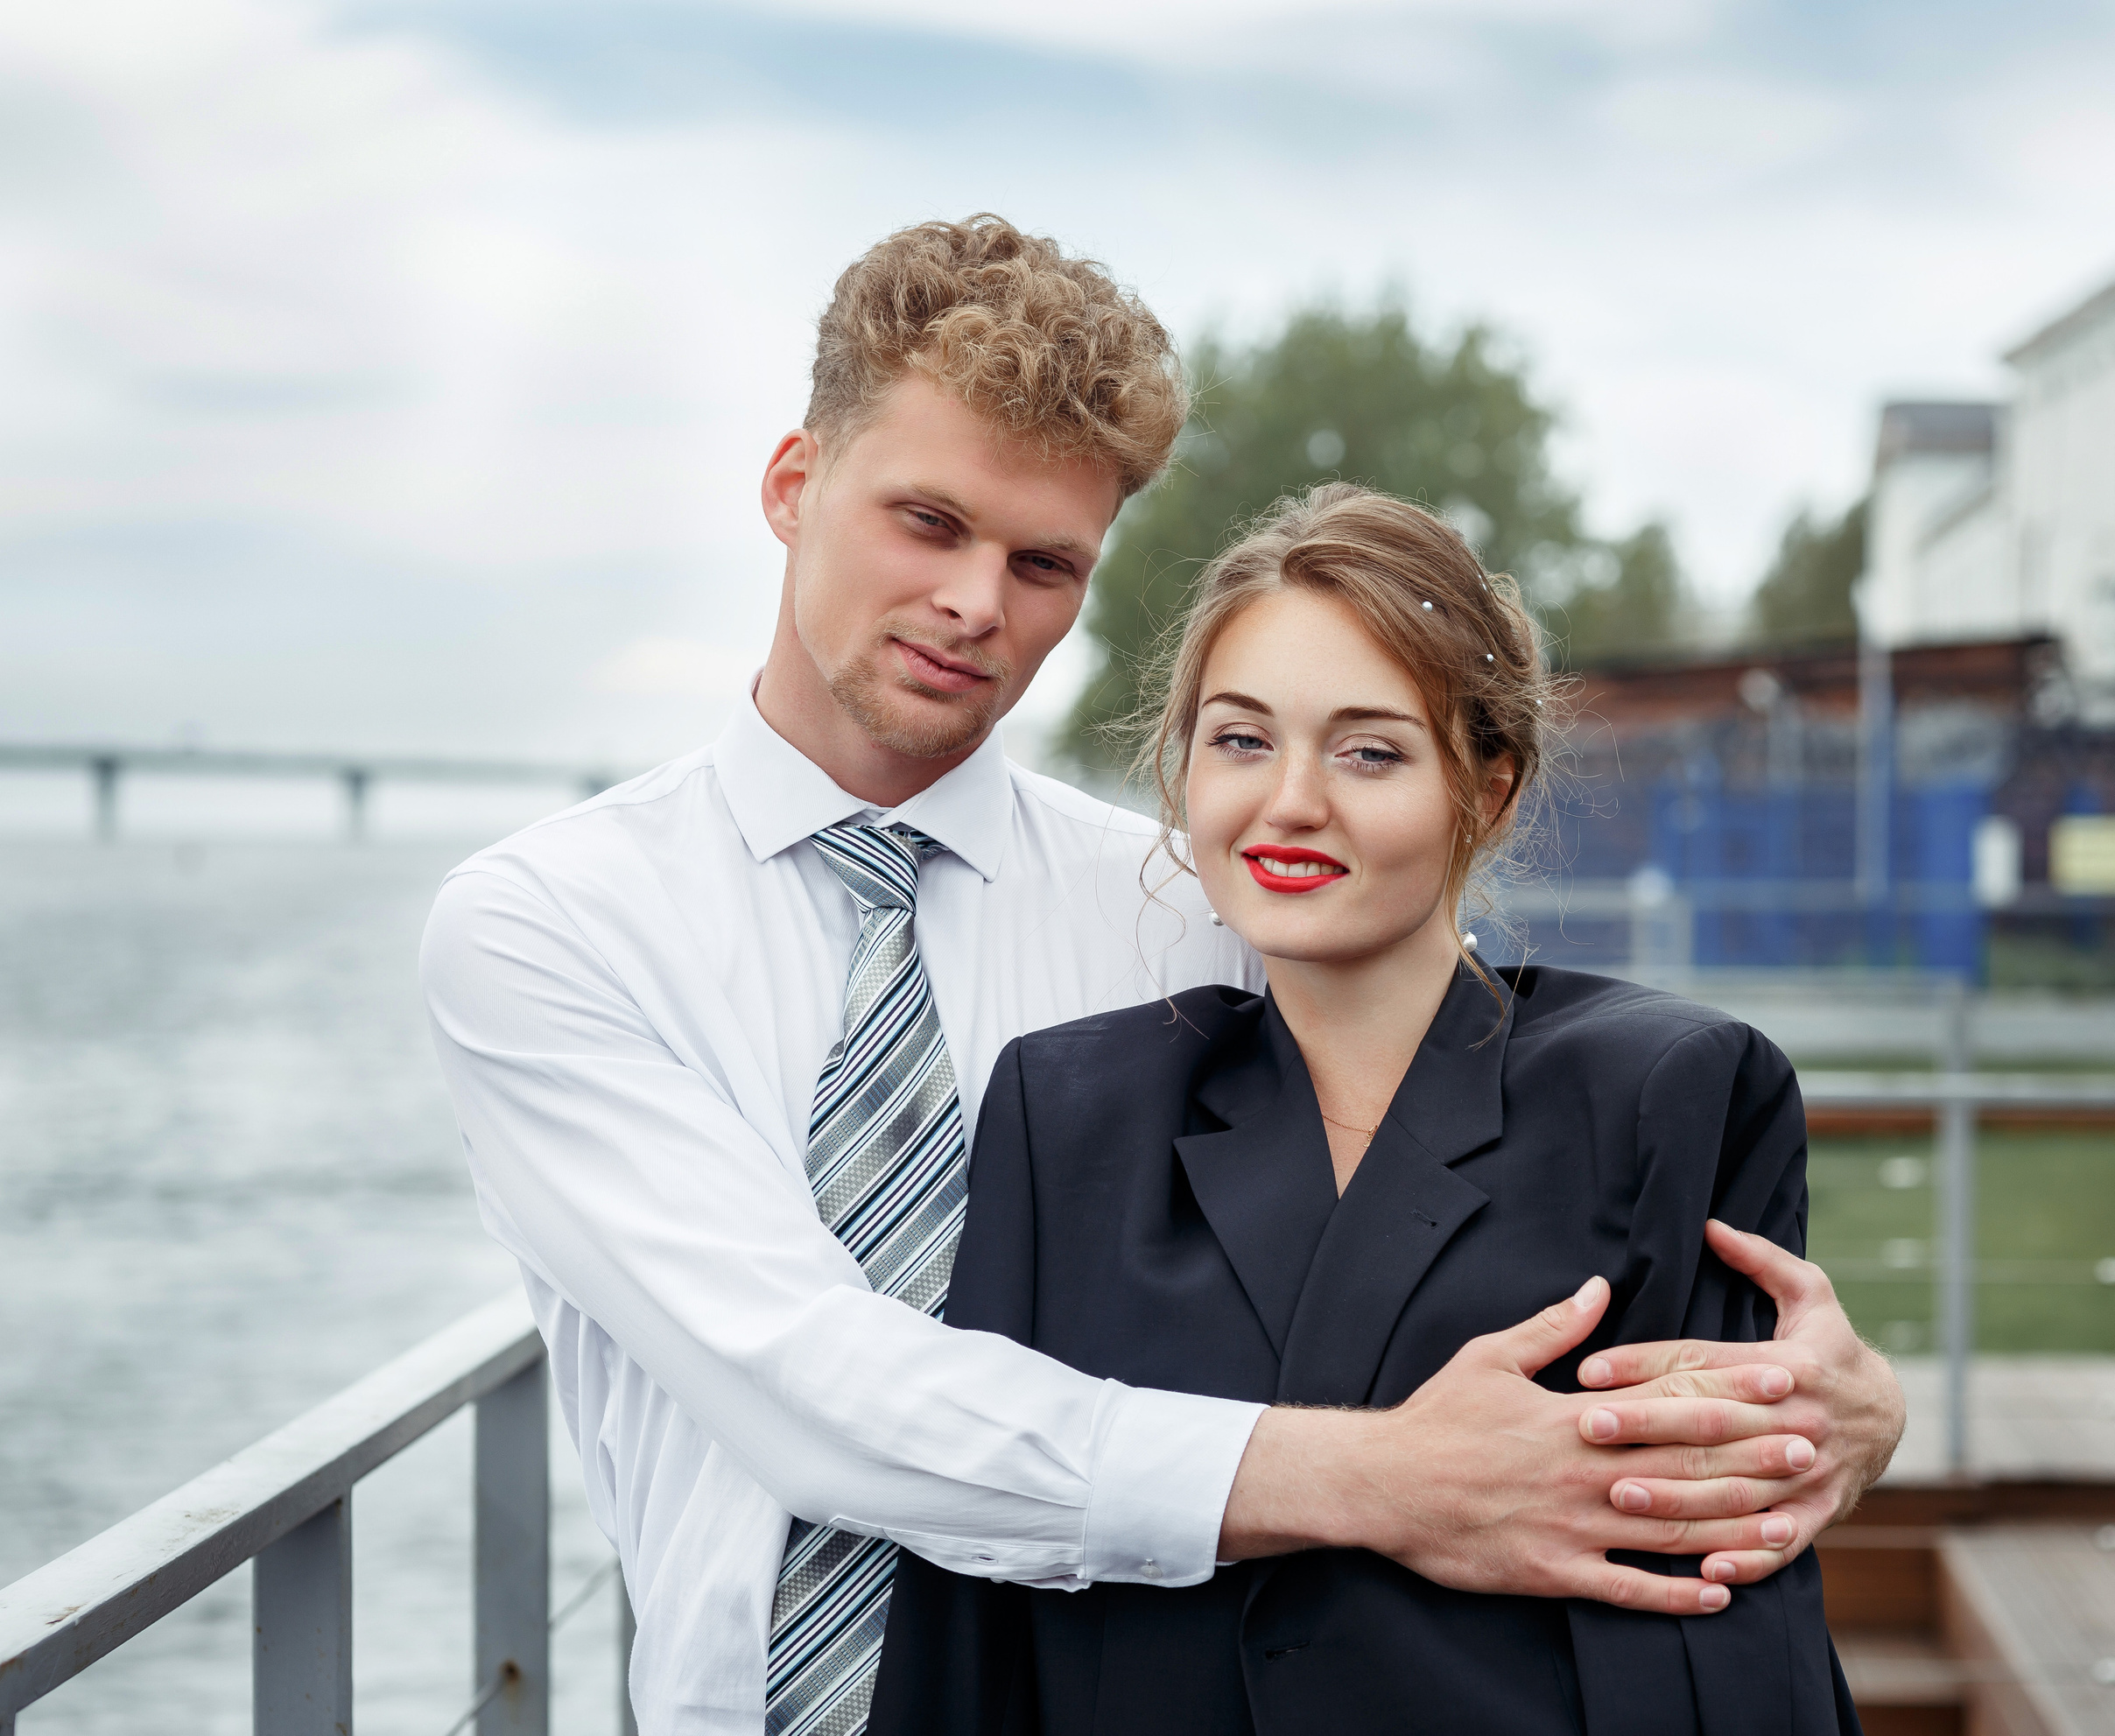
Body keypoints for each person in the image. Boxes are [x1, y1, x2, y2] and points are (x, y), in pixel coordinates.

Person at [418, 215, 1903, 1736]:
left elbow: (1428, 1180)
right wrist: (1391, 1479)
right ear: (795, 488)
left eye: (1044, 561)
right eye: (927, 522)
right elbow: (817, 1394)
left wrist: (1832, 1411)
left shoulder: (1189, 903)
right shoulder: (549, 925)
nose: (978, 604)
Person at [872, 483, 1864, 1734]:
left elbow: (1717, 1576)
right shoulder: (1066, 1107)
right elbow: (976, 1584)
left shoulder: (1669, 1090)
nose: (1292, 800)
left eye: (1368, 750)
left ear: (1486, 789)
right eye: (1241, 740)